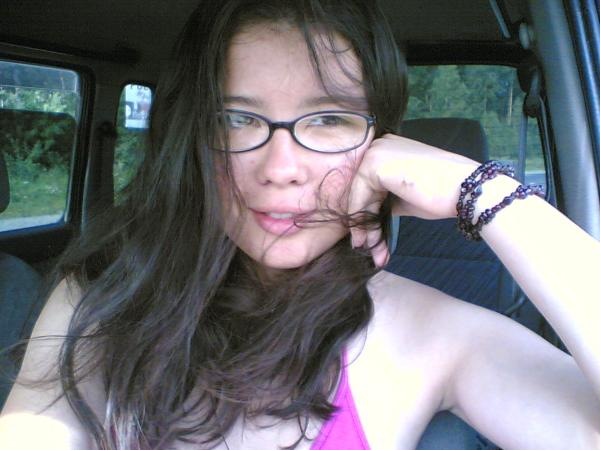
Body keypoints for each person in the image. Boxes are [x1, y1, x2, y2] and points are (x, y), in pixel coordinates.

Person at [0, 0, 599, 449]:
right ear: (193, 138)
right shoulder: (103, 295)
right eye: (236, 118)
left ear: (383, 141)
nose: (280, 169)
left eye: (329, 119)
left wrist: (486, 193)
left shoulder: (433, 333)